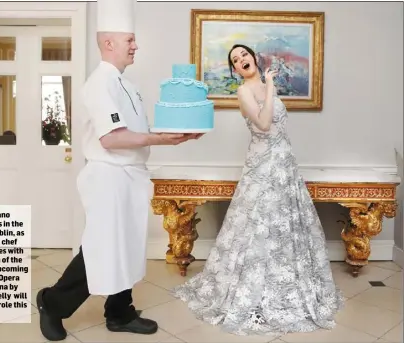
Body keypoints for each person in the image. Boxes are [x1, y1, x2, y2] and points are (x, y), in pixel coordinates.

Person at [36, 0, 200, 340]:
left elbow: (133, 129)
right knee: (101, 249)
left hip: (130, 176)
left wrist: (170, 131)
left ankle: (119, 312)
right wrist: (165, 140)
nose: (136, 45)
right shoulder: (99, 84)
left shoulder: (127, 83)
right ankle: (52, 303)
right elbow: (111, 139)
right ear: (109, 43)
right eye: (130, 40)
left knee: (125, 246)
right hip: (108, 176)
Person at [171, 44, 344, 336]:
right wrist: (272, 84)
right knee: (256, 225)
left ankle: (286, 283)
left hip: (284, 164)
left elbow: (280, 128)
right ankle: (249, 287)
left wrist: (268, 85)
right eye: (235, 60)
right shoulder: (243, 92)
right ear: (235, 70)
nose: (241, 60)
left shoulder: (263, 86)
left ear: (253, 58)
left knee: (285, 227)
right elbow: (264, 125)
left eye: (243, 55)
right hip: (262, 167)